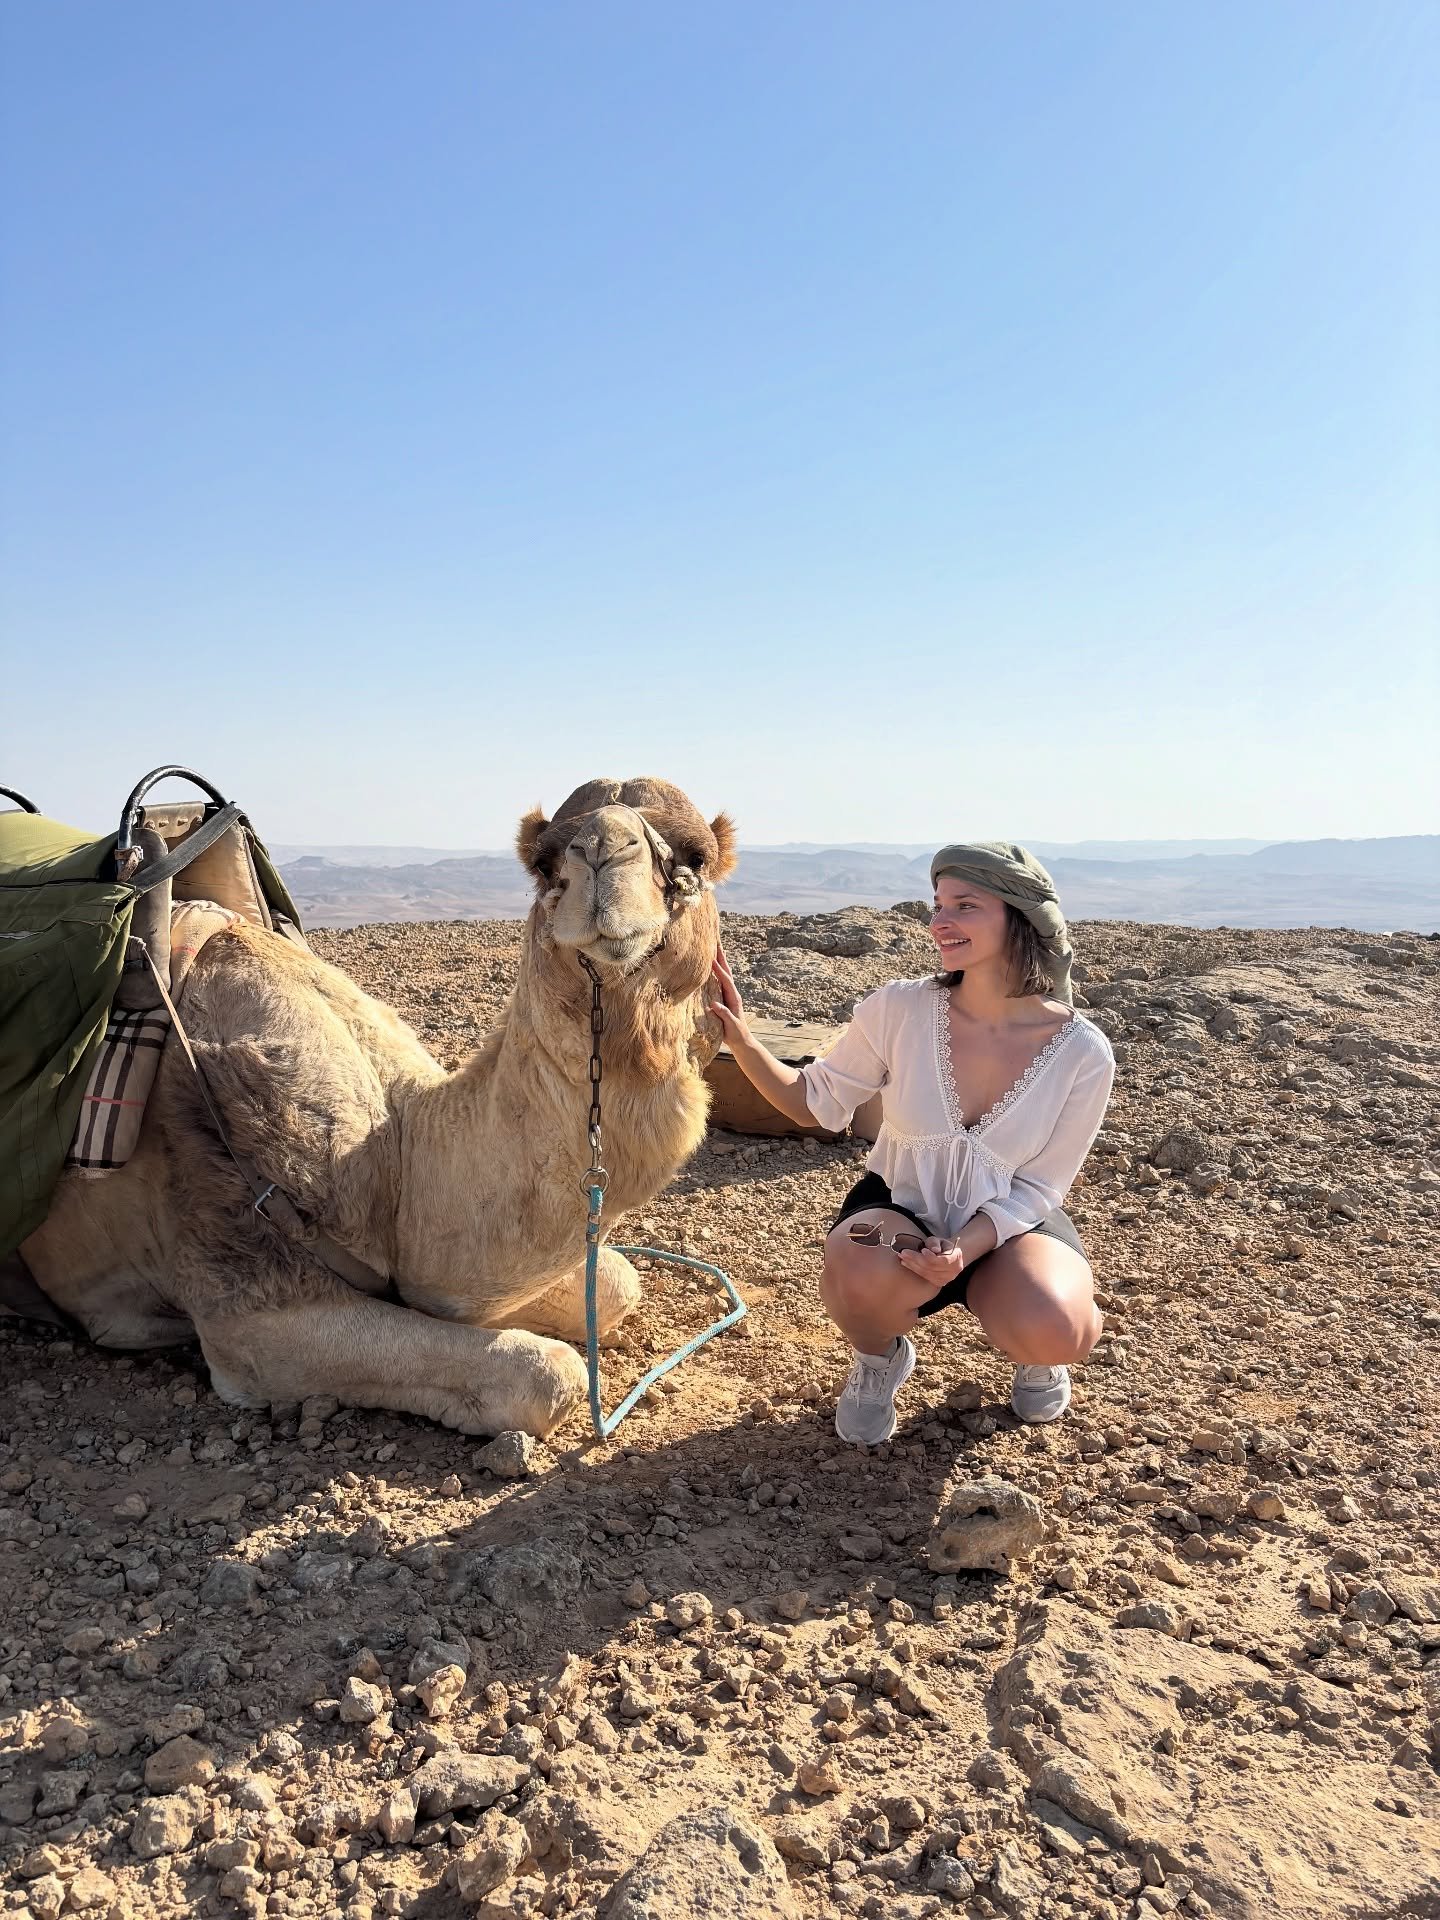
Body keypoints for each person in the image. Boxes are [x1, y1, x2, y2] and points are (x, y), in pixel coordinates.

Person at [710, 842, 1114, 1444]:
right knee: (853, 1262)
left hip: (1006, 1226)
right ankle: (880, 1360)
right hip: (899, 1210)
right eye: (938, 904)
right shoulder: (898, 1009)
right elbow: (813, 1102)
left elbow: (1040, 1186)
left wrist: (965, 1247)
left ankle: (1035, 1351)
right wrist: (743, 1043)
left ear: (1020, 918)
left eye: (965, 905)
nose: (940, 921)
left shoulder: (1082, 1052)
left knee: (1061, 1327)